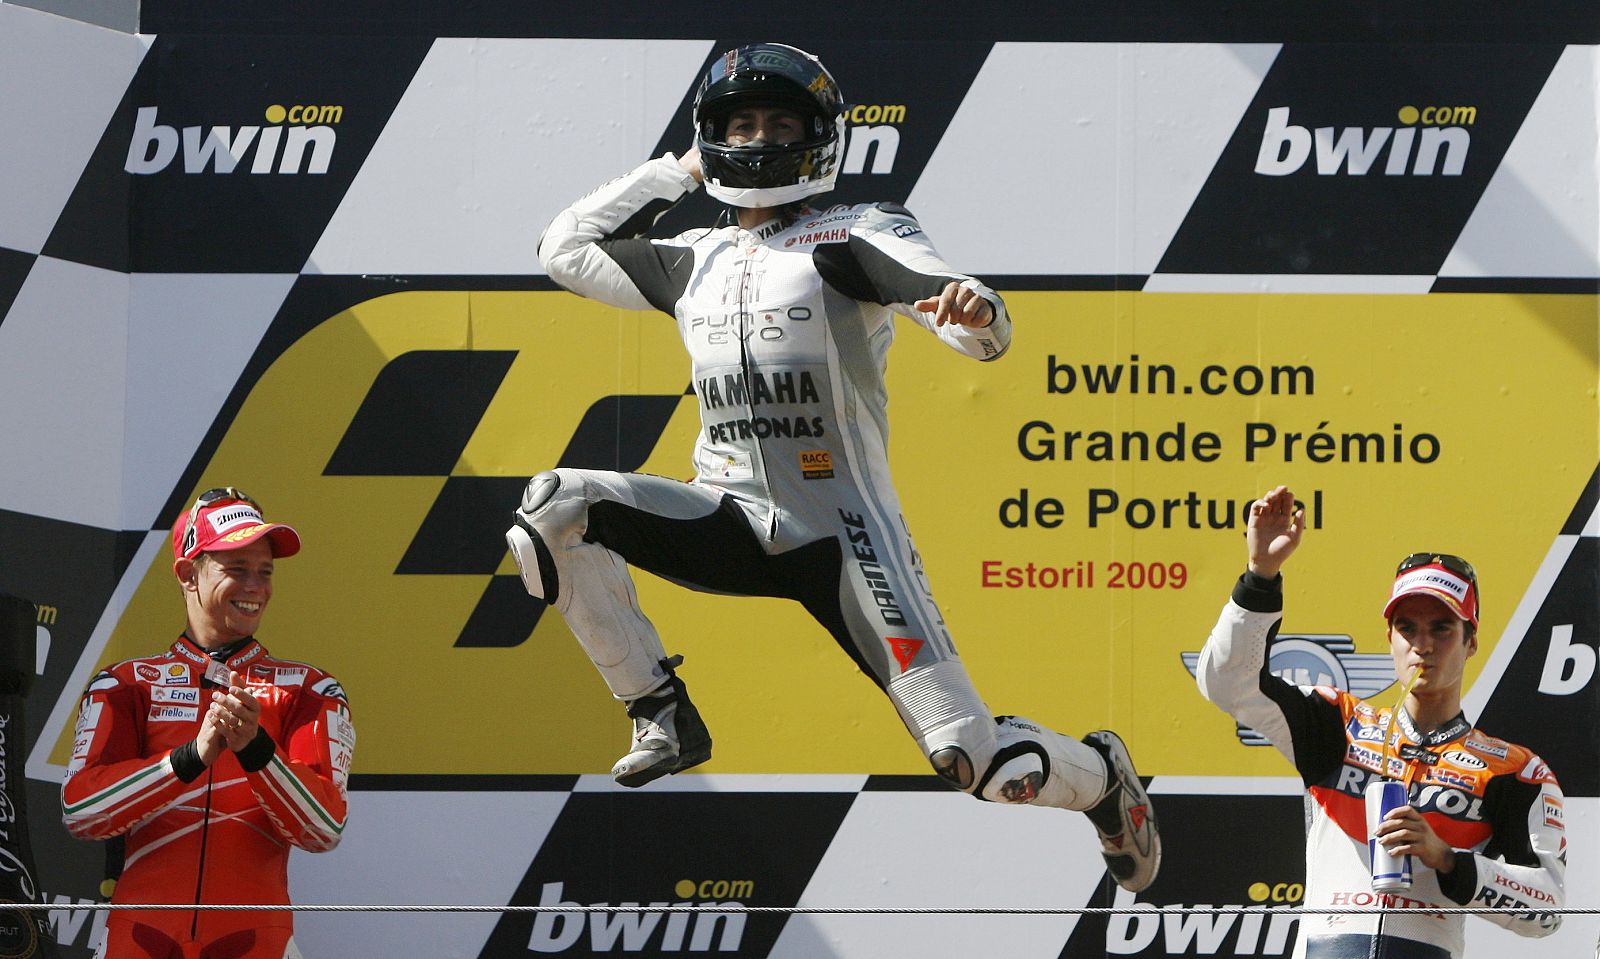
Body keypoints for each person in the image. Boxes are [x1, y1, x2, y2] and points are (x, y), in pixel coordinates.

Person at [509, 41, 1159, 891]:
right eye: (740, 122)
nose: (761, 136)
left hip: (845, 538)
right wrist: (674, 172)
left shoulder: (857, 228)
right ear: (712, 137)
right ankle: (660, 710)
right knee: (554, 507)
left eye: (781, 121)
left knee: (972, 761)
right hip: (730, 519)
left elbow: (961, 313)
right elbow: (563, 247)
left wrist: (974, 308)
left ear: (819, 137)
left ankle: (1103, 779)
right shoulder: (691, 258)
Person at [1196, 486, 1565, 958]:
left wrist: (1448, 860)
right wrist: (1261, 576)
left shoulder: (1514, 770)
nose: (1423, 645)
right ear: (1389, 638)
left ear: (1472, 642)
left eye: (1442, 628)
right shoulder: (1335, 722)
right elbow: (1227, 684)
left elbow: (1550, 911)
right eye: (1407, 628)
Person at [62, 488, 354, 959]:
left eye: (265, 571)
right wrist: (188, 759)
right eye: (236, 569)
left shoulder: (310, 691)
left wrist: (256, 750)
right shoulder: (126, 684)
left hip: (257, 943)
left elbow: (323, 829)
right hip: (138, 940)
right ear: (187, 574)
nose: (255, 586)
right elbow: (82, 814)